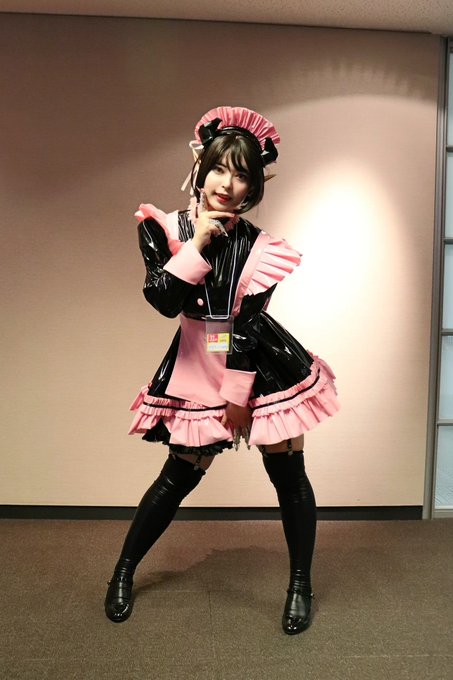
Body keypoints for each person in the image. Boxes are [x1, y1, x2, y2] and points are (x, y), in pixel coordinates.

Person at [104, 106, 340, 635]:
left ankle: (300, 586)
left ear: (255, 185)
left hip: (258, 358)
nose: (227, 185)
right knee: (177, 477)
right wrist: (197, 244)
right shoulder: (163, 228)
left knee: (289, 475)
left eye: (242, 175)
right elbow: (164, 301)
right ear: (200, 168)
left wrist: (237, 394)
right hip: (198, 356)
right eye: (218, 168)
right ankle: (122, 571)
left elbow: (245, 326)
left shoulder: (262, 247)